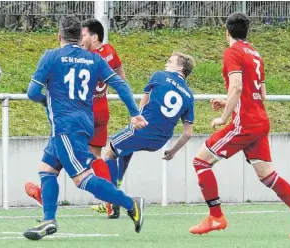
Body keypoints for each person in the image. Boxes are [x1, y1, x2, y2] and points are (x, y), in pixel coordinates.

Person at [188, 12, 290, 238]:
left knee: (200, 161)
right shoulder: (256, 54)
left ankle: (216, 217)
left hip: (243, 123)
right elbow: (260, 94)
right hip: (259, 120)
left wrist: (224, 116)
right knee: (267, 175)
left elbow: (236, 87)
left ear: (226, 32)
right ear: (247, 32)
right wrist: (228, 103)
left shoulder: (232, 53)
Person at [23, 16, 147, 240]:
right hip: (82, 123)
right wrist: (135, 113)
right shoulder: (94, 59)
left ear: (59, 36)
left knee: (82, 179)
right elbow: (120, 83)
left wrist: (45, 101)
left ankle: (131, 203)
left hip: (66, 126)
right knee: (46, 169)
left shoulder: (51, 56)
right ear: (80, 38)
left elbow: (32, 93)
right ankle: (48, 219)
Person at [103, 52, 195, 218]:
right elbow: (188, 133)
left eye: (170, 61)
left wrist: (135, 120)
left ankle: (112, 200)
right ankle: (115, 187)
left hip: (143, 128)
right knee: (126, 150)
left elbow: (142, 103)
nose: (166, 64)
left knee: (109, 152)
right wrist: (173, 151)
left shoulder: (159, 76)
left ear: (180, 67)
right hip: (160, 141)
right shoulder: (189, 95)